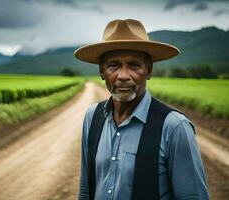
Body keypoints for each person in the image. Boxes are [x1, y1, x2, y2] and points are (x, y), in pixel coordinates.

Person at [74, 19, 209, 200]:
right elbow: (86, 190)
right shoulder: (92, 117)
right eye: (113, 65)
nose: (123, 76)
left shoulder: (175, 128)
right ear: (101, 71)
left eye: (134, 65)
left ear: (149, 70)